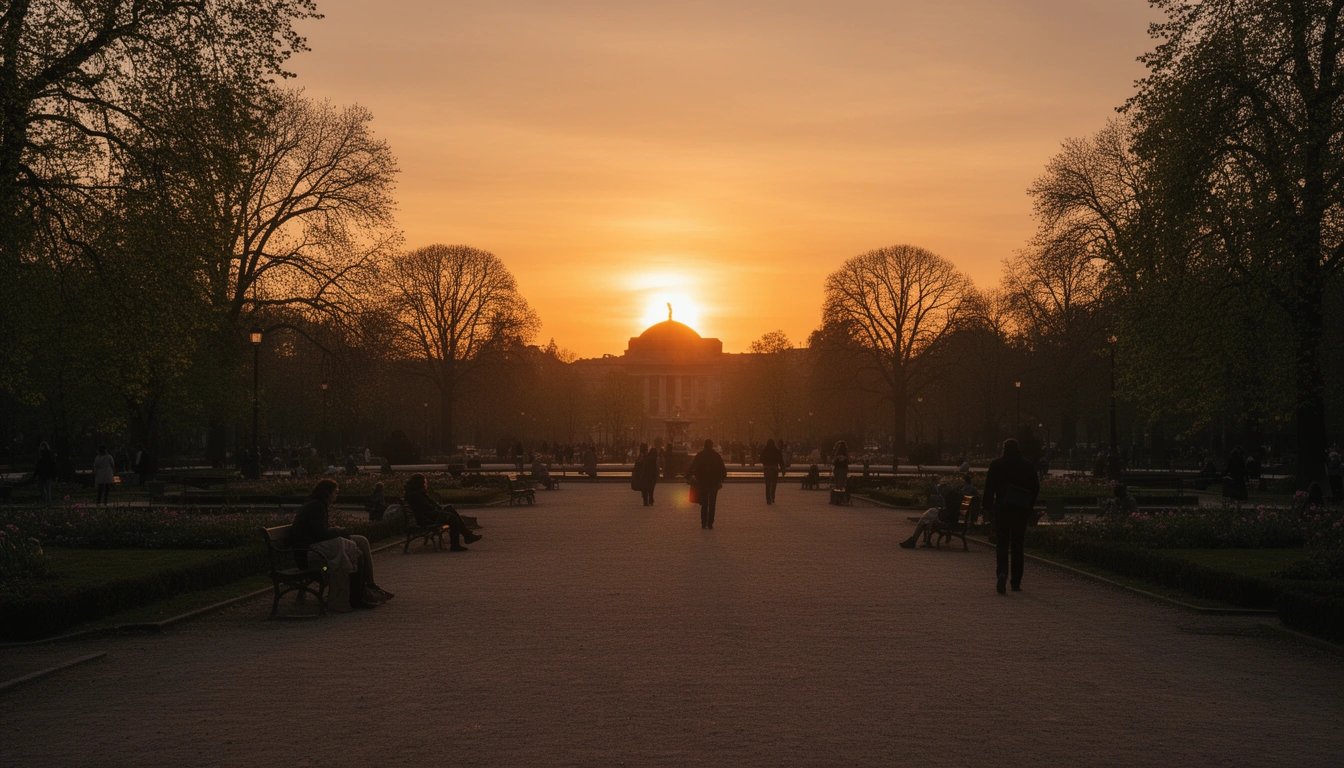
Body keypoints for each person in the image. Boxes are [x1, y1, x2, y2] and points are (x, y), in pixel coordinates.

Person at [290, 479, 392, 611]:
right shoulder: (316, 506)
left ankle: (369, 584)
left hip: (315, 547)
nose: (336, 496)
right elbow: (320, 534)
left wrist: (337, 531)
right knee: (355, 548)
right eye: (335, 492)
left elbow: (320, 532)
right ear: (327, 493)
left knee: (361, 541)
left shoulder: (318, 505)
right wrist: (340, 531)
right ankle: (359, 593)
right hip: (309, 553)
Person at [982, 438, 1039, 594]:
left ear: (1004, 449)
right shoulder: (1027, 465)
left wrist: (986, 508)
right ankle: (1015, 581)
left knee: (1001, 544)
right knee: (1017, 545)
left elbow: (989, 489)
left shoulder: (996, 464)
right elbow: (1036, 487)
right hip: (1020, 510)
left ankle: (1002, 573)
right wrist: (1028, 504)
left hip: (1002, 509)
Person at [403, 473, 481, 551]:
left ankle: (467, 535)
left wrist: (440, 508)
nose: (425, 484)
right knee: (453, 518)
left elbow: (430, 504)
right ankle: (457, 544)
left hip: (428, 515)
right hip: (426, 518)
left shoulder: (417, 492)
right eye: (424, 482)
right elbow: (426, 508)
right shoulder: (415, 495)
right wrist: (439, 510)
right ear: (420, 483)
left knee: (450, 510)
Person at [899, 483, 964, 548]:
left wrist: (940, 510)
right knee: (928, 514)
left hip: (948, 519)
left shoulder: (950, 496)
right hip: (950, 517)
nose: (940, 494)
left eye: (940, 492)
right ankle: (915, 540)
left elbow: (948, 512)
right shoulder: (952, 495)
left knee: (925, 518)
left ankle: (913, 540)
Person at [687, 439, 727, 529]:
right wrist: (722, 477)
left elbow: (693, 466)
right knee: (712, 503)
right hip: (714, 482)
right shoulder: (716, 455)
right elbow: (722, 468)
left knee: (704, 502)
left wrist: (689, 475)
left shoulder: (700, 455)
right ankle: (710, 522)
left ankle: (703, 522)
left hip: (703, 481)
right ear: (712, 445)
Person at [760, 438, 784, 504]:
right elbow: (780, 460)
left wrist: (765, 463)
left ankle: (768, 499)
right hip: (774, 468)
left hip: (767, 468)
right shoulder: (776, 451)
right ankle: (772, 496)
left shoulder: (765, 450)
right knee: (773, 484)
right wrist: (782, 467)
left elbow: (760, 459)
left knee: (767, 484)